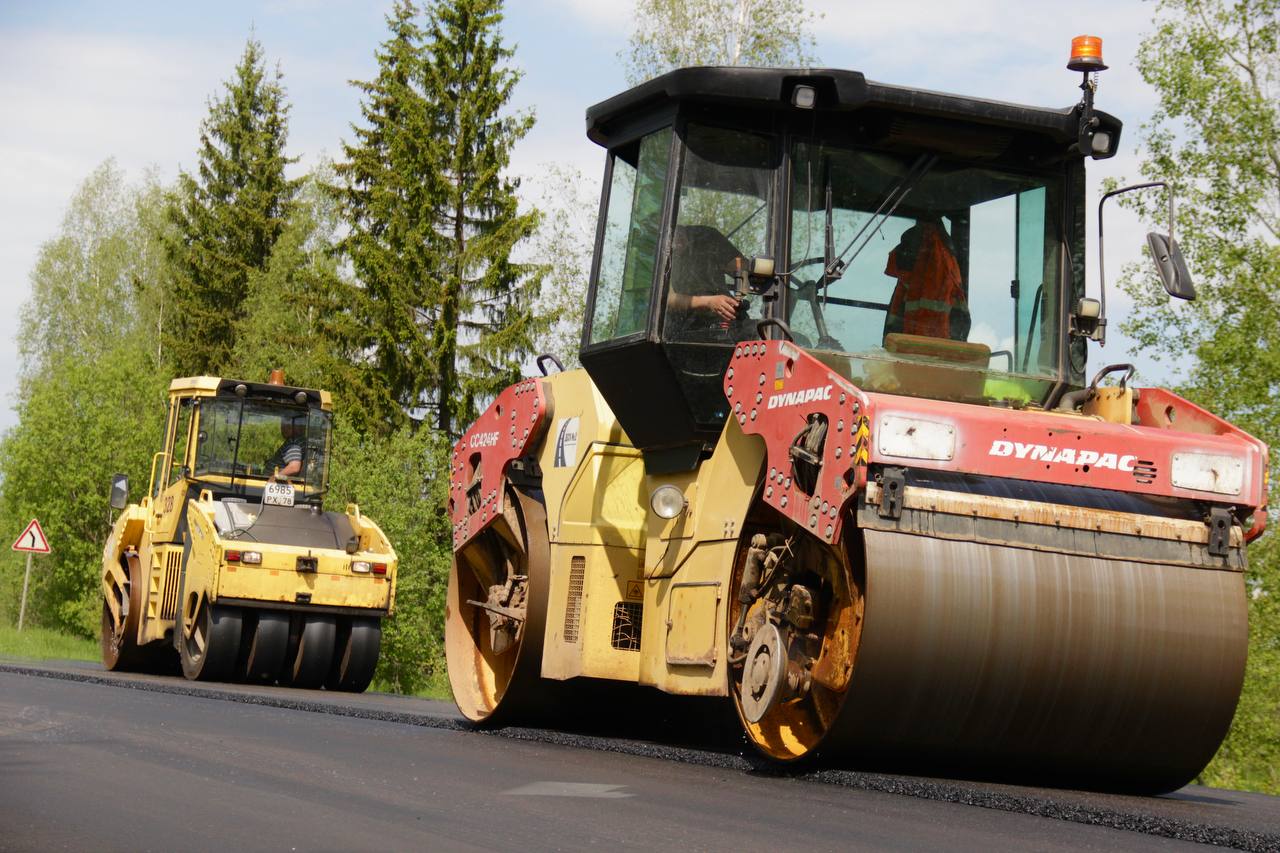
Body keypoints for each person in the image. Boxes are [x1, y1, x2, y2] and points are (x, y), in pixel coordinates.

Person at [883, 219, 971, 341]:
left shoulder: (937, 269)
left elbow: (927, 327)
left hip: (926, 352)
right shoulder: (909, 280)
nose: (900, 251)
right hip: (918, 350)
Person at [666, 224, 746, 339]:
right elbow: (662, 299)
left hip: (727, 320)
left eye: (677, 235)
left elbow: (742, 270)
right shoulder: (656, 253)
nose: (676, 244)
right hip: (685, 328)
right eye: (671, 244)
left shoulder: (707, 237)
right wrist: (708, 302)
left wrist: (737, 298)